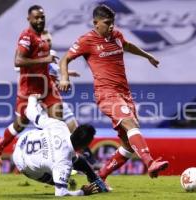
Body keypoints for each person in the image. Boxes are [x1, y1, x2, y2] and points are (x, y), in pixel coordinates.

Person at [59, 4, 169, 182]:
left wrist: (147, 55)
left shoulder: (116, 35)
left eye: (113, 23)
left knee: (129, 145)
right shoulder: (87, 40)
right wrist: (64, 78)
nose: (111, 26)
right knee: (130, 123)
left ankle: (100, 177)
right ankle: (150, 163)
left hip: (125, 93)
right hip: (106, 94)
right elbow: (65, 59)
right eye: (107, 23)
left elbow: (127, 45)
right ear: (96, 23)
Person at [0, 5, 63, 174]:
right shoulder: (27, 36)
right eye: (36, 17)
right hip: (29, 89)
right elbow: (18, 61)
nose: (40, 20)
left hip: (46, 87)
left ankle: (60, 163)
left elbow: (44, 63)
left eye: (42, 17)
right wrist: (46, 59)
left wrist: (58, 73)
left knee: (58, 122)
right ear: (29, 19)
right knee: (20, 125)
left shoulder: (42, 37)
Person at [12, 95, 108, 196]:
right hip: (21, 163)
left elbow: (30, 113)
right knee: (62, 180)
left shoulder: (59, 126)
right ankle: (89, 179)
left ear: (75, 131)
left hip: (22, 140)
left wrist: (32, 98)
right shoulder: (63, 163)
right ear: (84, 146)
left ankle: (94, 178)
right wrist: (83, 192)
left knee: (73, 160)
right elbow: (61, 194)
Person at [42, 31, 100, 167]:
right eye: (45, 41)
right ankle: (57, 163)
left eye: (49, 40)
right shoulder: (34, 57)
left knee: (74, 127)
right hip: (42, 103)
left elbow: (54, 68)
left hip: (56, 99)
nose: (48, 43)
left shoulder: (51, 57)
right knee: (52, 134)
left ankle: (88, 159)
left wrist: (66, 73)